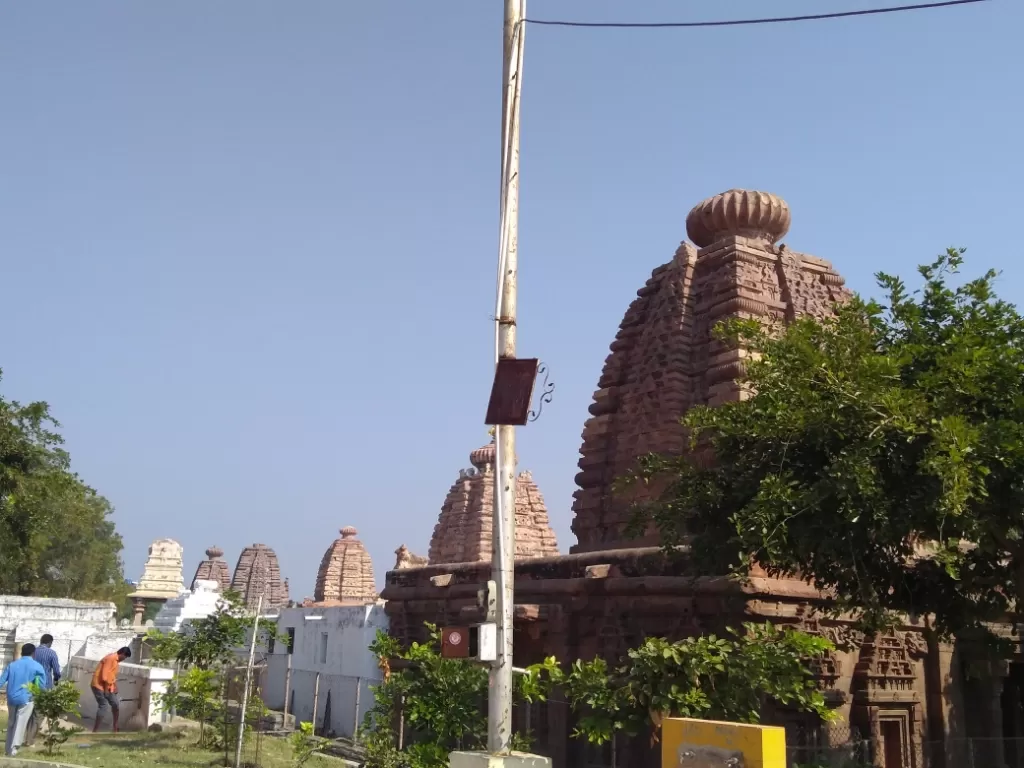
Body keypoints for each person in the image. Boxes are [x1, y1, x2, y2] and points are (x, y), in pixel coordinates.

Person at [0, 643, 45, 756]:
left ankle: (7, 749)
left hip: (11, 698)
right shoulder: (37, 666)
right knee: (20, 723)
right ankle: (13, 750)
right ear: (33, 653)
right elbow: (41, 685)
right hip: (27, 699)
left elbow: (1, 680)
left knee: (11, 723)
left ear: (21, 652)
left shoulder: (12, 665)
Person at [25, 633, 62, 747]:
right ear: (50, 642)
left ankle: (26, 737)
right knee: (39, 714)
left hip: (31, 686)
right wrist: (56, 679)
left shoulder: (33, 652)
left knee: (30, 713)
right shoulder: (51, 653)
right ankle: (30, 741)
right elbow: (56, 671)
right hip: (44, 686)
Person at [91, 646, 131, 733]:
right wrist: (105, 691)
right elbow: (104, 677)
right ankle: (95, 731)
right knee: (104, 705)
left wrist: (114, 686)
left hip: (108, 686)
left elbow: (111, 676)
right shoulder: (111, 658)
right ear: (122, 654)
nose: (124, 659)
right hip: (99, 685)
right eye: (125, 657)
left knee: (115, 704)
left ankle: (115, 728)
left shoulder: (116, 661)